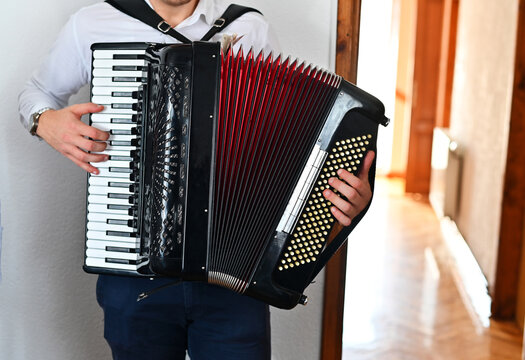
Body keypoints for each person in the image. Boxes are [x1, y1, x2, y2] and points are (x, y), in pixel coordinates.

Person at [18, 0, 375, 359]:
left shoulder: (250, 27)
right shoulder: (94, 22)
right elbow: (36, 93)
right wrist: (43, 121)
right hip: (132, 271)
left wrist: (342, 194)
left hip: (235, 276)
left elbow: (288, 139)